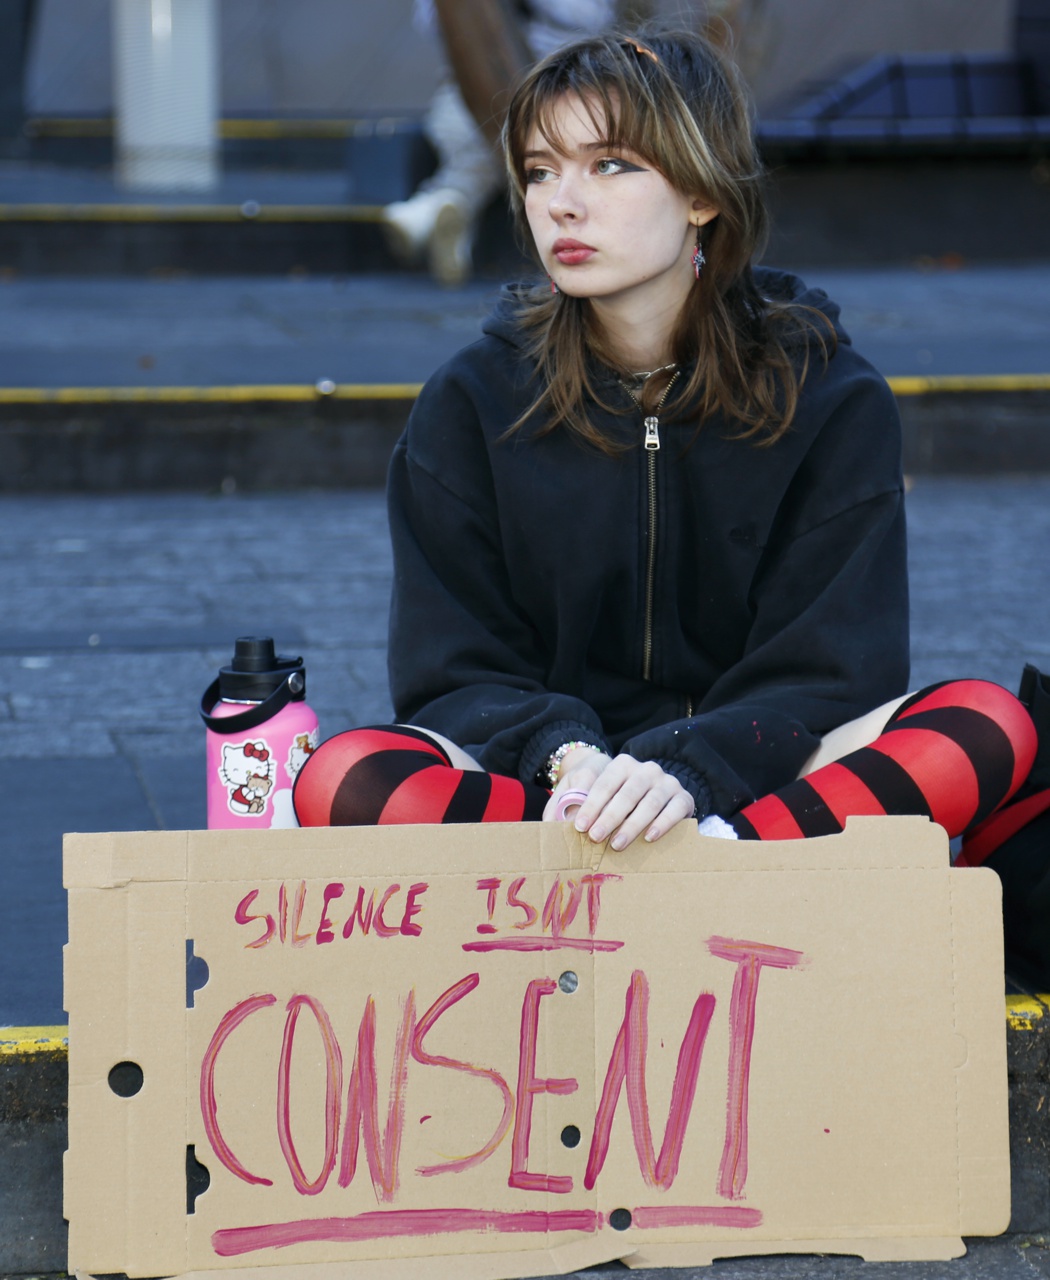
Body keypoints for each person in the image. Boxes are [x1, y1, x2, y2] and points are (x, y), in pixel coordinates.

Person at [295, 29, 1039, 861]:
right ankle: (685, 873)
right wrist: (574, 762)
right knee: (346, 774)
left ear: (702, 194)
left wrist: (686, 777)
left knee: (983, 722)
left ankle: (692, 860)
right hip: (553, 787)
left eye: (610, 164)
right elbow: (453, 672)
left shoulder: (828, 395)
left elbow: (833, 671)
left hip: (751, 778)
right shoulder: (472, 401)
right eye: (541, 170)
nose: (561, 204)